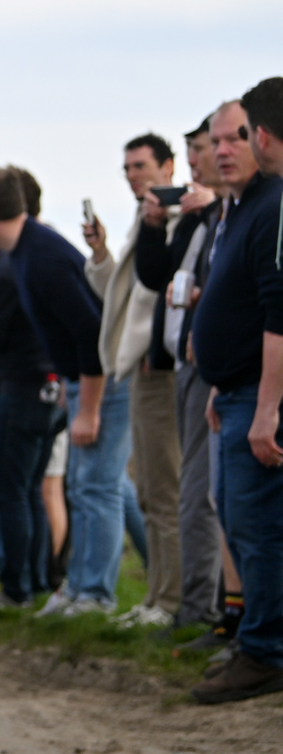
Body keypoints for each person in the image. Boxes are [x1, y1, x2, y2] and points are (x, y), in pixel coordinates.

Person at [0, 165, 122, 617]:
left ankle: (87, 594)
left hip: (88, 382)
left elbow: (92, 332)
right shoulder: (26, 249)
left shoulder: (40, 256)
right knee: (61, 487)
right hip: (68, 383)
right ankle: (67, 587)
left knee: (91, 489)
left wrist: (87, 407)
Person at [186, 77, 283, 703]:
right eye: (216, 140)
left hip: (259, 394)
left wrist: (266, 403)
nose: (225, 149)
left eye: (238, 137)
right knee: (239, 519)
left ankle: (266, 651)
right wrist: (223, 387)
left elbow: (278, 310)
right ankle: (254, 639)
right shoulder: (241, 206)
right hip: (236, 390)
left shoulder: (273, 204)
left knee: (256, 525)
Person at [141, 108, 246, 639]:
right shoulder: (205, 216)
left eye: (213, 147)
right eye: (204, 149)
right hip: (189, 362)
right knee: (197, 491)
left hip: (220, 368)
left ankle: (212, 609)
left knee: (208, 492)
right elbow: (160, 277)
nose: (202, 162)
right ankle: (211, 607)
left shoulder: (237, 210)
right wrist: (153, 227)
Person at [85, 132, 182, 629]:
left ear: (169, 166)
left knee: (165, 489)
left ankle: (171, 601)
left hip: (160, 369)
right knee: (147, 489)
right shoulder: (144, 220)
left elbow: (166, 296)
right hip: (143, 368)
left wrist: (157, 351)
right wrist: (101, 254)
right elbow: (123, 299)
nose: (132, 175)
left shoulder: (178, 216)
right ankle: (157, 597)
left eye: (141, 166)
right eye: (127, 168)